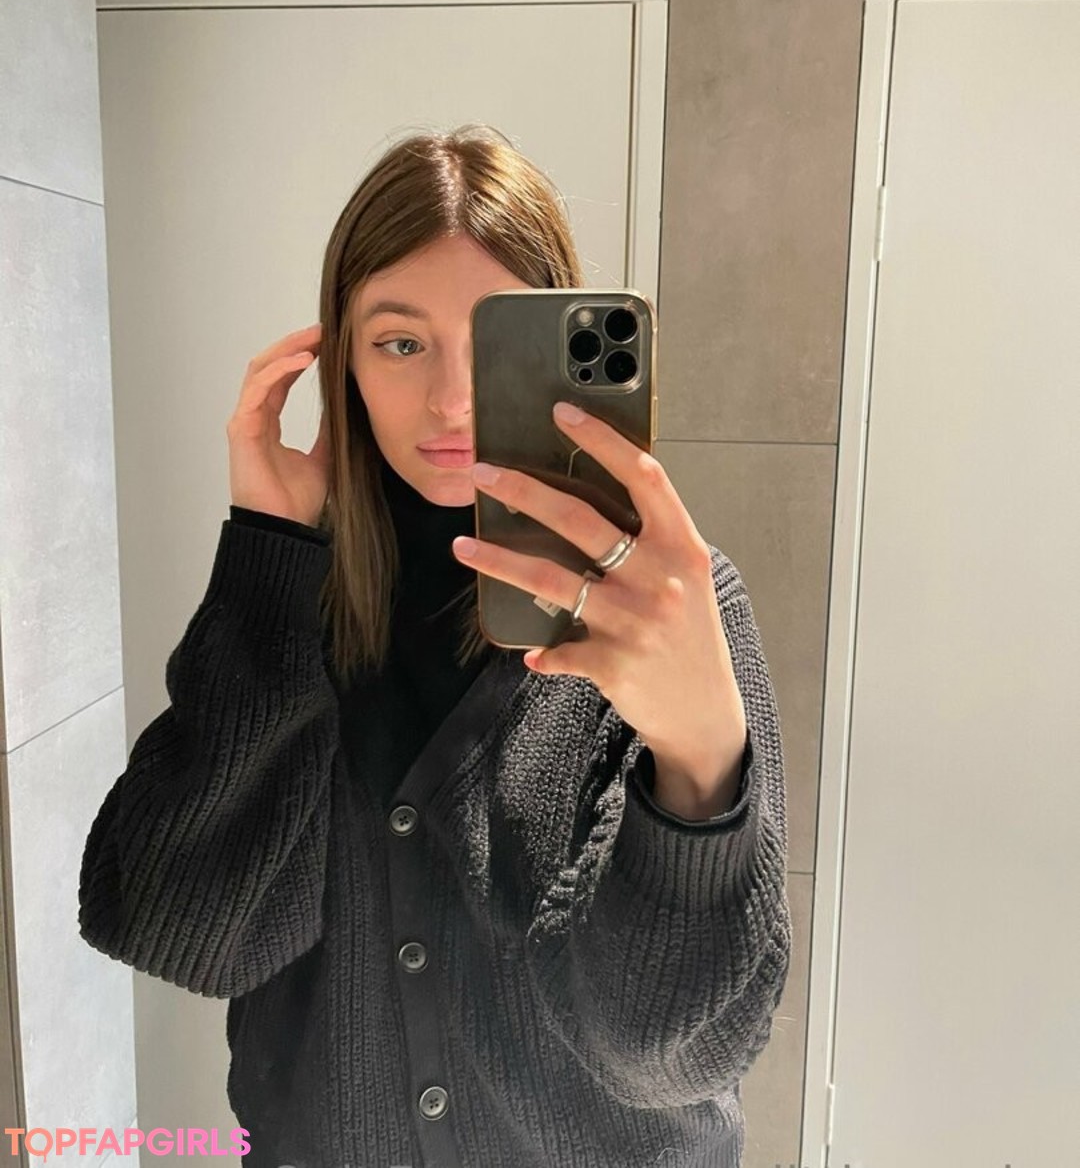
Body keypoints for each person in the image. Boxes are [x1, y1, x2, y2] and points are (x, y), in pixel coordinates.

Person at [78, 125, 793, 1168]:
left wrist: (699, 773)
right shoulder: (297, 599)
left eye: (490, 343)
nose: (453, 399)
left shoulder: (669, 614)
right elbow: (177, 928)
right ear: (343, 362)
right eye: (401, 343)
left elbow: (670, 1057)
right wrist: (268, 558)